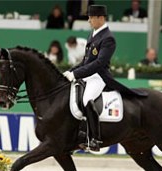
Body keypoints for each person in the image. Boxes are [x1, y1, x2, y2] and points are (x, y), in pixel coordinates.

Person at [63, 5, 146, 151]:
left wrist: (76, 74)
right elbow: (85, 61)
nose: (88, 20)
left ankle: (95, 139)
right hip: (88, 74)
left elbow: (99, 63)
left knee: (86, 99)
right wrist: (69, 72)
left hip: (99, 76)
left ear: (100, 18)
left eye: (91, 17)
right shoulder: (92, 34)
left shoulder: (108, 38)